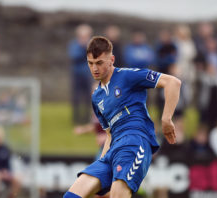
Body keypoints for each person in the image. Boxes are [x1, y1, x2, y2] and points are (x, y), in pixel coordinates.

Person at [63, 36, 181, 198]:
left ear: (112, 59)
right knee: (71, 195)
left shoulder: (128, 76)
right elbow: (109, 134)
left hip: (134, 142)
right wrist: (102, 160)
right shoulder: (97, 97)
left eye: (99, 63)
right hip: (112, 150)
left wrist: (166, 119)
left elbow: (172, 82)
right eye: (90, 63)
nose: (94, 68)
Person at [68, 24, 93, 125]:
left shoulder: (92, 45)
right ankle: (76, 119)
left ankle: (87, 118)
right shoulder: (74, 44)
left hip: (88, 74)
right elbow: (74, 56)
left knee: (89, 97)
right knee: (76, 97)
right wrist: (84, 48)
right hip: (77, 74)